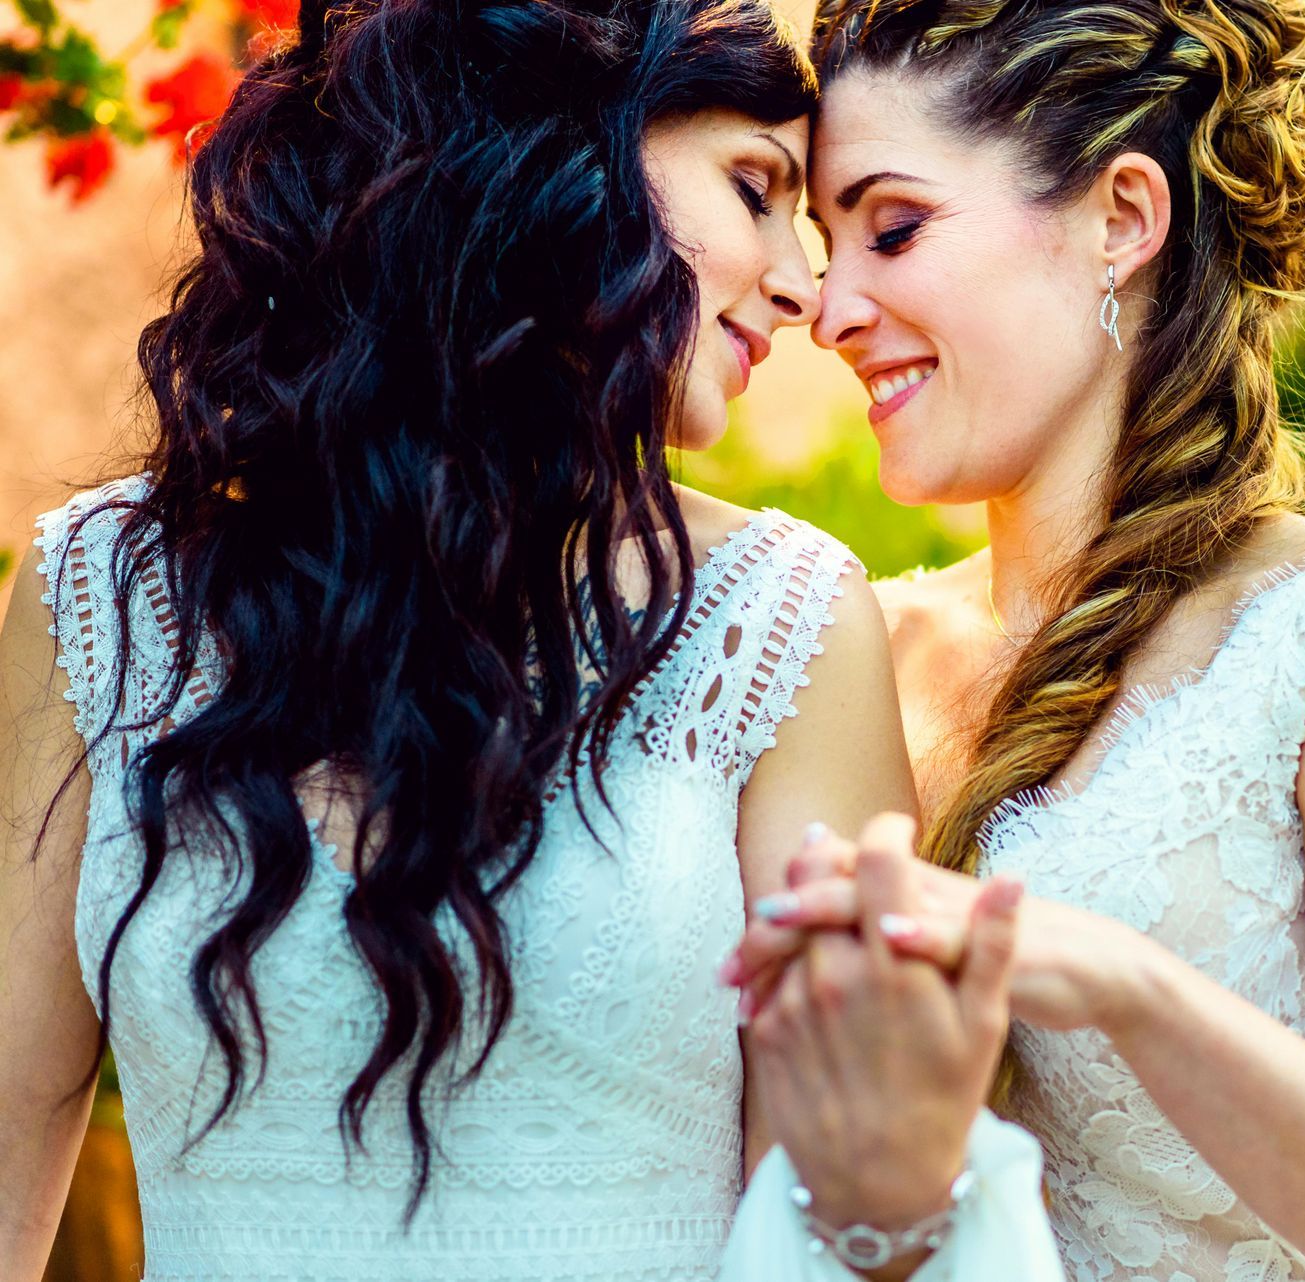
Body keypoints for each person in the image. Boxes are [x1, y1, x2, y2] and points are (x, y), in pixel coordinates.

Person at [0, 2, 1032, 1278]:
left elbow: (841, 1211)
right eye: (755, 189)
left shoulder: (786, 619)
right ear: (547, 152)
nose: (804, 285)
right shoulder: (101, 590)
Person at [724, 0, 1305, 1279]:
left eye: (892, 227)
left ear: (1121, 218)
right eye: (822, 242)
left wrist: (1127, 983)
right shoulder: (852, 651)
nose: (829, 308)